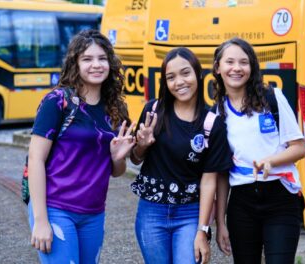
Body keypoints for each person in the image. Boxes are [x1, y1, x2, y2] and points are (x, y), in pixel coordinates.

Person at [27, 29, 135, 263]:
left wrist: (117, 157)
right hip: (56, 208)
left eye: (102, 58)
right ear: (75, 63)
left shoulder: (115, 109)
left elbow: (116, 171)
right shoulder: (57, 101)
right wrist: (40, 220)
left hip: (94, 213)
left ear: (111, 63)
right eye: (87, 59)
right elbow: (35, 159)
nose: (96, 65)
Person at [129, 47, 233, 264]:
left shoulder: (212, 123)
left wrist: (202, 230)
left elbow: (209, 181)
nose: (179, 82)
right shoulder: (153, 111)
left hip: (190, 214)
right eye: (171, 77)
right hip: (151, 212)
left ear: (198, 74)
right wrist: (141, 145)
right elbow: (135, 159)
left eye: (185, 73)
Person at [212, 37, 305, 263]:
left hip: (281, 198)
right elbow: (221, 173)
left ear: (251, 67)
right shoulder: (216, 114)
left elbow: (299, 147)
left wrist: (271, 161)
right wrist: (220, 223)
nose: (237, 68)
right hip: (241, 204)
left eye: (244, 62)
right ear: (218, 68)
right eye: (230, 62)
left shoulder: (272, 98)